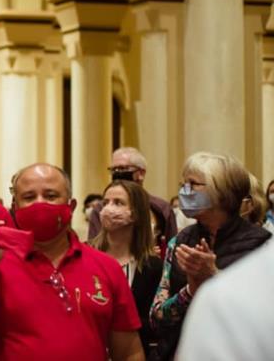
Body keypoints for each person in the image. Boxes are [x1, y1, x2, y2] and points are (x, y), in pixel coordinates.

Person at [0, 163, 143, 360]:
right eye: (29, 197)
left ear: (71, 206)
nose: (40, 204)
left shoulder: (106, 267)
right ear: (14, 208)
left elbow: (129, 352)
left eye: (51, 196)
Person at [149, 152, 271, 360]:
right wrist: (190, 290)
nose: (183, 191)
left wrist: (214, 275)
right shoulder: (179, 242)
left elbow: (265, 315)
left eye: (193, 184)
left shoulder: (262, 245)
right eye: (183, 184)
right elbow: (156, 320)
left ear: (222, 192)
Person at [90, 180, 163, 357]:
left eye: (118, 203)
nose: (108, 209)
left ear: (135, 214)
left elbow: (153, 323)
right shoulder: (85, 255)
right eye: (105, 202)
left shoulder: (152, 266)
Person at [176, 240, 274, 360]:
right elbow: (156, 317)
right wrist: (190, 290)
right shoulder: (182, 239)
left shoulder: (259, 241)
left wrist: (214, 274)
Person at [88, 147, 178, 251]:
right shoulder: (101, 208)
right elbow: (93, 248)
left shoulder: (161, 208)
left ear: (141, 173)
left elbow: (171, 248)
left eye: (122, 168)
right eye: (114, 169)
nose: (117, 173)